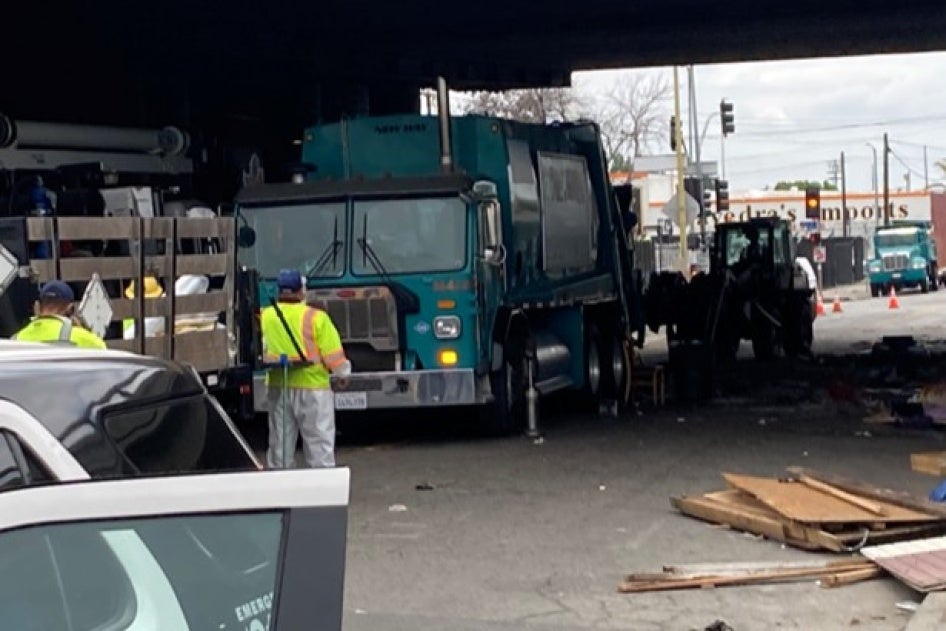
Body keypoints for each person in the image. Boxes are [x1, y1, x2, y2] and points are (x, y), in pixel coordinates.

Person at [260, 269, 350, 468]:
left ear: (279, 291)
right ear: (301, 291)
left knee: (280, 448)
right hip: (313, 389)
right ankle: (321, 490)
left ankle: (281, 490)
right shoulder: (316, 317)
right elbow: (333, 354)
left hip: (279, 386)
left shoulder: (265, 316)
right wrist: (343, 374)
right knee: (319, 446)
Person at [13, 281, 106, 349]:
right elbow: (102, 351)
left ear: (37, 307)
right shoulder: (82, 337)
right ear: (71, 309)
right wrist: (84, 330)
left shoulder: (16, 339)